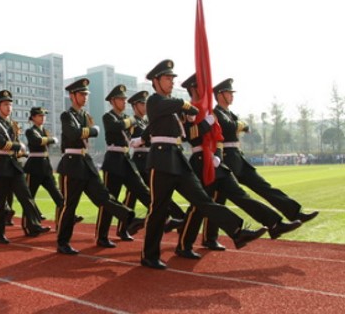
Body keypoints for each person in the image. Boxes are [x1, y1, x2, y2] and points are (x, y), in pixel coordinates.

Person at [141, 60, 267, 270]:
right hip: (161, 159)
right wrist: (186, 106)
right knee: (158, 209)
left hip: (178, 158)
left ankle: (237, 231)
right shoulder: (154, 101)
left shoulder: (171, 104)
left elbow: (159, 125)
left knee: (202, 199)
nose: (171, 82)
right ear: (155, 81)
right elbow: (165, 112)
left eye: (172, 79)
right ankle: (149, 255)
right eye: (167, 78)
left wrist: (193, 116)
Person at [175, 74, 302, 259]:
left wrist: (217, 157)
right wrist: (204, 124)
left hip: (216, 161)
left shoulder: (209, 110)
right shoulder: (188, 110)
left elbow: (219, 138)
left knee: (240, 195)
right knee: (199, 207)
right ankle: (184, 244)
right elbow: (189, 136)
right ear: (194, 89)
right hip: (200, 160)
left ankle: (274, 224)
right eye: (202, 86)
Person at [201, 78, 319, 249]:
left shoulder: (228, 113)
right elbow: (228, 128)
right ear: (220, 95)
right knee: (223, 198)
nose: (231, 96)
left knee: (263, 186)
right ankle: (211, 237)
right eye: (228, 93)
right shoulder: (216, 113)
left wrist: (238, 125)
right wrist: (239, 125)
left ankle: (293, 212)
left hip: (237, 157)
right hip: (225, 157)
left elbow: (240, 126)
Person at [57, 78, 145, 255]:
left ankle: (129, 217)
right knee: (70, 205)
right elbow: (73, 134)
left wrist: (90, 130)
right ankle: (62, 242)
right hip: (71, 164)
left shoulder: (84, 116)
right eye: (82, 94)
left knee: (104, 197)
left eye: (86, 94)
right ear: (72, 96)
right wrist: (93, 130)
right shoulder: (67, 115)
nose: (85, 97)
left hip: (85, 163)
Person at [116, 90, 185, 241]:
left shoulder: (148, 121)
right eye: (142, 104)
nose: (145, 106)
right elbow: (127, 137)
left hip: (151, 156)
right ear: (134, 106)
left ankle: (178, 218)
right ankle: (125, 226)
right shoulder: (132, 121)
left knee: (146, 193)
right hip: (140, 158)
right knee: (138, 193)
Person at [96, 84, 157, 248]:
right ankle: (101, 235)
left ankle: (161, 217)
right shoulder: (108, 116)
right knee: (111, 200)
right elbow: (116, 127)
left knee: (142, 191)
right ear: (112, 101)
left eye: (124, 99)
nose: (123, 102)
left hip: (126, 159)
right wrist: (130, 121)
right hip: (113, 160)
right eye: (121, 99)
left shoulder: (128, 119)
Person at [0, 90, 50, 244]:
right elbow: (0, 143)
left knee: (26, 196)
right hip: (0, 164)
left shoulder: (12, 124)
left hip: (14, 164)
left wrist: (21, 152)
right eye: (5, 104)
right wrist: (19, 145)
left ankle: (34, 225)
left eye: (10, 104)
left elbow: (11, 146)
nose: (8, 107)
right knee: (1, 202)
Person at [24, 107, 84, 226]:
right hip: (34, 167)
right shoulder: (30, 131)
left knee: (57, 194)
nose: (43, 118)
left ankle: (69, 217)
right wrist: (52, 139)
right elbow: (37, 141)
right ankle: (31, 225)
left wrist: (50, 139)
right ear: (33, 117)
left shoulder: (44, 131)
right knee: (29, 197)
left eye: (44, 115)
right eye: (40, 115)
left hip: (45, 167)